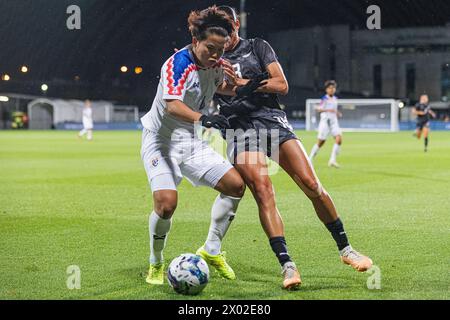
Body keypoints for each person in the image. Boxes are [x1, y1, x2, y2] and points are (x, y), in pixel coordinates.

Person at [214, 6, 372, 290]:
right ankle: (287, 265)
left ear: (237, 25)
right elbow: (217, 89)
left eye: (228, 31)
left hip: (272, 121)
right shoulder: (211, 58)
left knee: (312, 184)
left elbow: (281, 84)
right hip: (239, 127)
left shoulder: (258, 47)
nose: (224, 38)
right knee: (264, 191)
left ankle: (346, 249)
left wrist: (245, 84)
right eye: (218, 33)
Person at [140, 6, 265, 285]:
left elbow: (222, 88)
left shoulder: (218, 64)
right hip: (161, 140)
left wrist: (246, 87)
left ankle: (211, 250)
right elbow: (172, 106)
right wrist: (205, 119)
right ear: (196, 41)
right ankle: (156, 262)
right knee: (166, 204)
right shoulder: (177, 64)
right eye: (210, 48)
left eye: (221, 50)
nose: (216, 55)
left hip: (191, 141)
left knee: (235, 186)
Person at [309, 80, 343, 168]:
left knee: (339, 139)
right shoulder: (324, 99)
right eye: (330, 88)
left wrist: (337, 112)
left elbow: (333, 110)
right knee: (321, 142)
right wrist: (329, 110)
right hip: (325, 122)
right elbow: (318, 109)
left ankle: (332, 160)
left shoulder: (335, 99)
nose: (332, 90)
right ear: (326, 90)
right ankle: (310, 159)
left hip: (334, 122)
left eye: (333, 88)